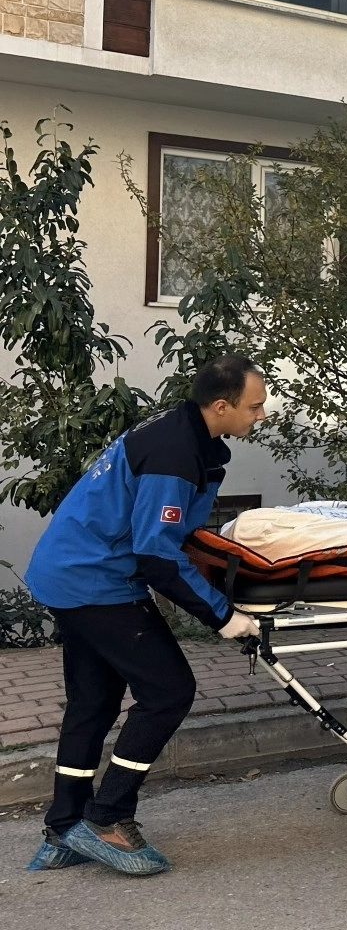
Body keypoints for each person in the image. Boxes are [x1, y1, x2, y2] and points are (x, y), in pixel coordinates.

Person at [23, 356, 265, 876]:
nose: (260, 415)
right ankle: (107, 817)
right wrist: (223, 616)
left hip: (68, 570)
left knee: (93, 701)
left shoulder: (181, 432)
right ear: (221, 406)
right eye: (254, 406)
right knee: (169, 691)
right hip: (95, 579)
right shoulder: (175, 453)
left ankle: (64, 827)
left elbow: (166, 534)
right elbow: (156, 554)